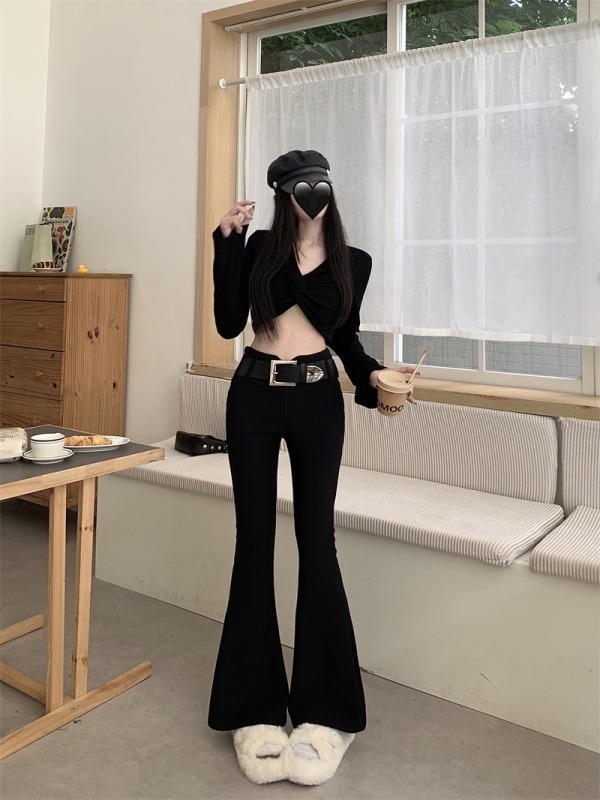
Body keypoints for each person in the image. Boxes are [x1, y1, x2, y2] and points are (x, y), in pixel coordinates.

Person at [208, 150, 416, 786]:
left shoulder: (355, 261)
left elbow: (345, 337)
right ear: (282, 193)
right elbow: (227, 323)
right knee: (253, 541)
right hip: (252, 392)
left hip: (318, 398)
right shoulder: (260, 248)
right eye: (301, 184)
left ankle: (328, 712)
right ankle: (253, 707)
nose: (313, 192)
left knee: (316, 542)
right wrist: (226, 243)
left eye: (321, 181)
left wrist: (373, 375)